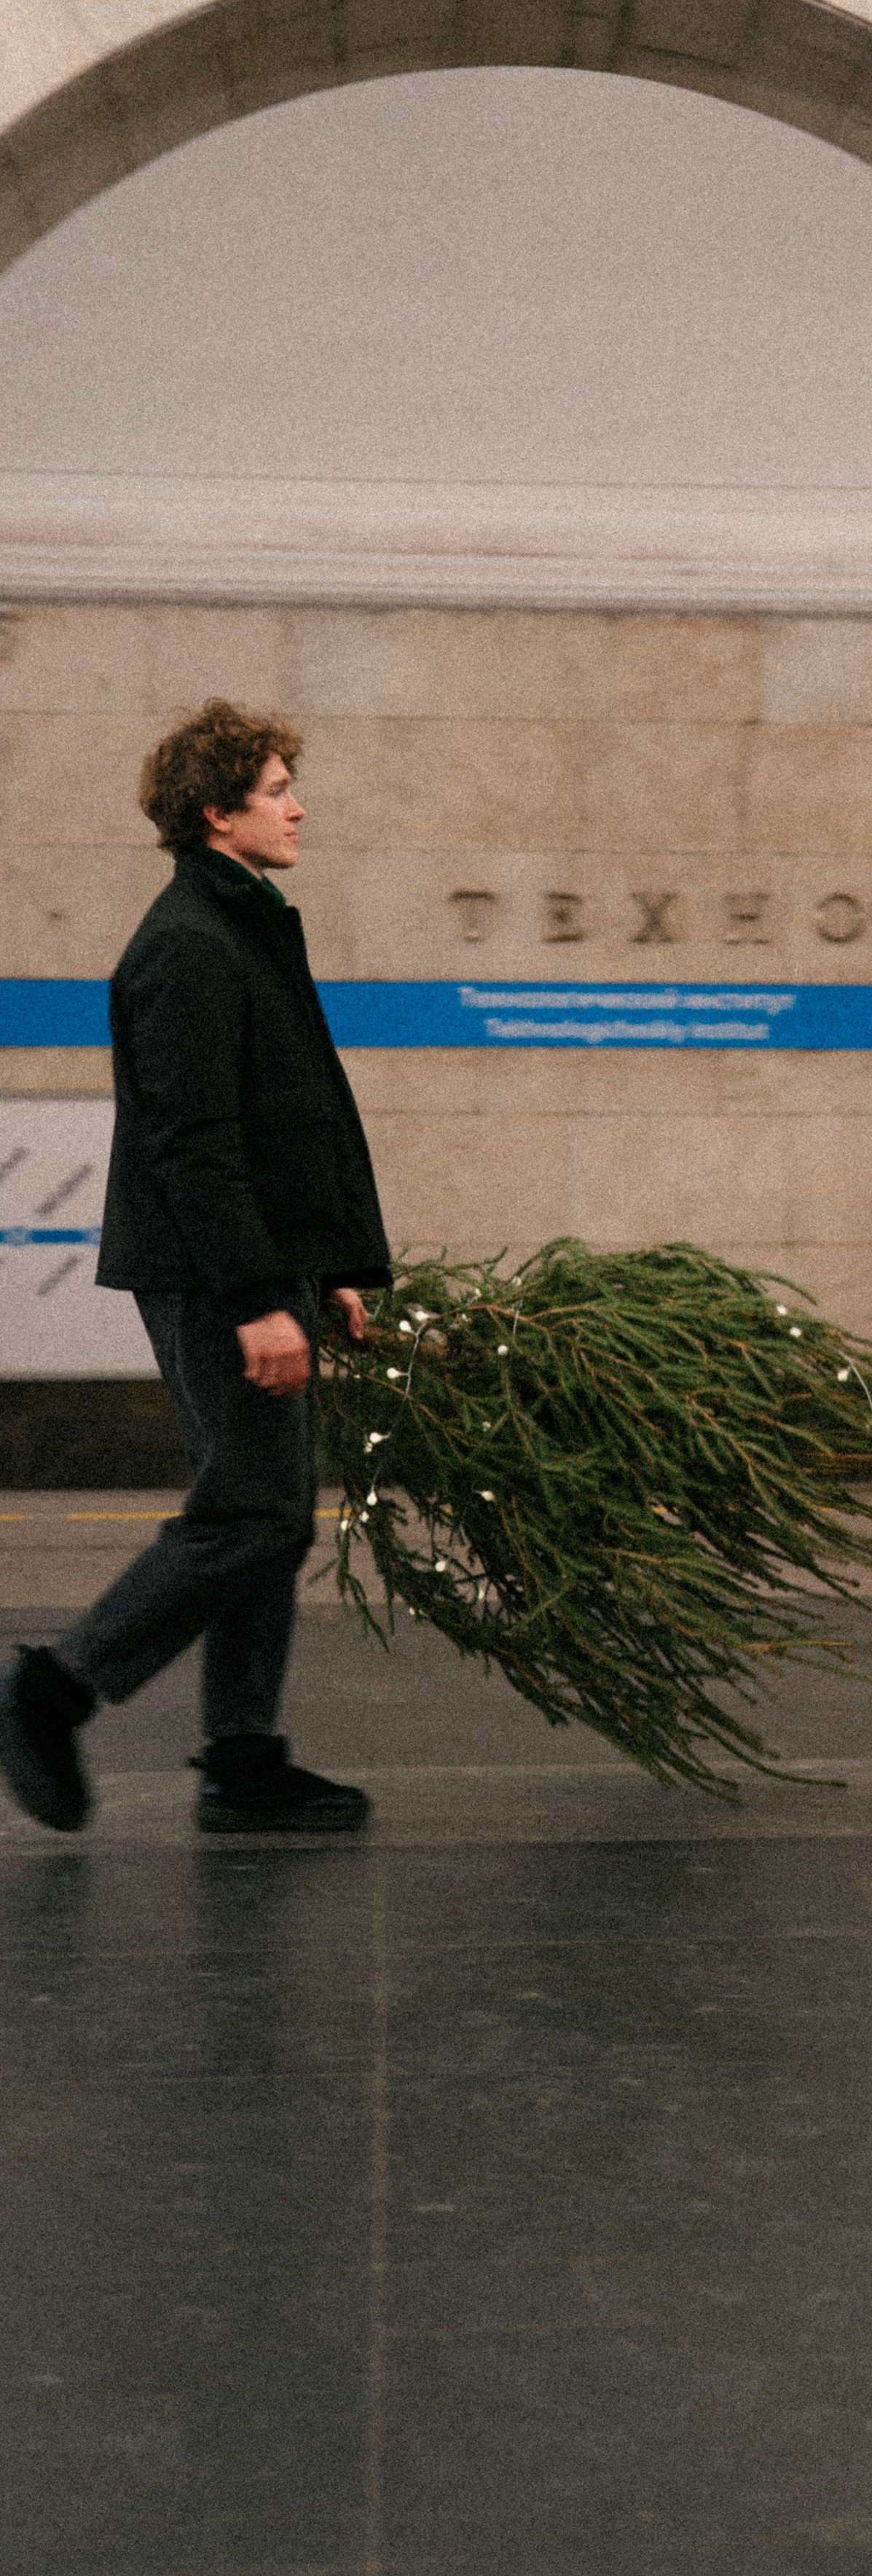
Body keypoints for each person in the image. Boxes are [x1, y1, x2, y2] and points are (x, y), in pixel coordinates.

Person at [0, 700, 391, 1836]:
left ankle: (243, 1760)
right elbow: (194, 1146)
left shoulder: (242, 927)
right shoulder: (187, 946)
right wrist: (257, 1300)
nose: (297, 805)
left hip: (264, 1270)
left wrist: (320, 1273)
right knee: (250, 1516)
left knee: (265, 1512)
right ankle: (49, 1693)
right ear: (217, 812)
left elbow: (281, 1125)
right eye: (275, 789)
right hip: (220, 1279)